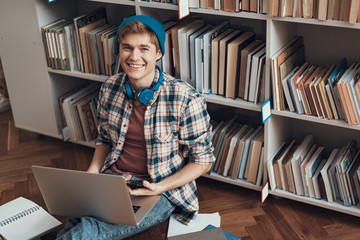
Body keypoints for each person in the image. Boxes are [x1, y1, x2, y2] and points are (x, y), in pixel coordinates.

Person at [56, 15, 215, 240]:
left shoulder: (186, 99)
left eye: (144, 48)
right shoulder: (110, 87)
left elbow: (203, 161)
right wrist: (93, 172)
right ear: (119, 51)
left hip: (159, 192)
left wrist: (161, 187)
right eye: (127, 48)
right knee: (77, 219)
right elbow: (104, 138)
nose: (134, 56)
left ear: (158, 53)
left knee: (89, 231)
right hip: (114, 181)